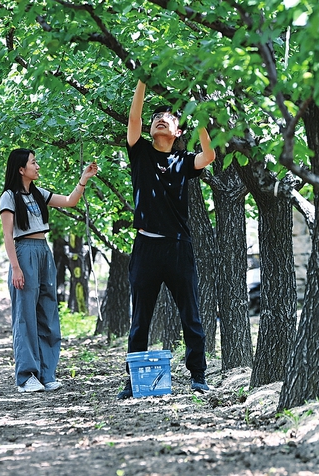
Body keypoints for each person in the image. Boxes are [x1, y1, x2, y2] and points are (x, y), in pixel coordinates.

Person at [118, 80, 216, 400]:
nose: (161, 118)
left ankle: (198, 375)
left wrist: (197, 115)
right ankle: (133, 381)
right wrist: (142, 80)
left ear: (177, 133)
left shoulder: (184, 161)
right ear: (149, 130)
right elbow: (133, 121)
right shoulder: (141, 153)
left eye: (170, 117)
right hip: (146, 247)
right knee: (140, 319)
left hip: (177, 247)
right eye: (156, 117)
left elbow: (209, 154)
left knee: (191, 314)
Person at [0, 148, 99, 393]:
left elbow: (70, 201)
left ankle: (47, 373)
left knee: (48, 312)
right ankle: (26, 376)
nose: (38, 166)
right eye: (34, 162)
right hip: (24, 252)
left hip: (44, 252)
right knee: (26, 316)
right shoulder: (9, 197)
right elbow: (7, 235)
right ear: (21, 169)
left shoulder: (38, 194)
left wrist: (83, 179)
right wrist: (16, 268)